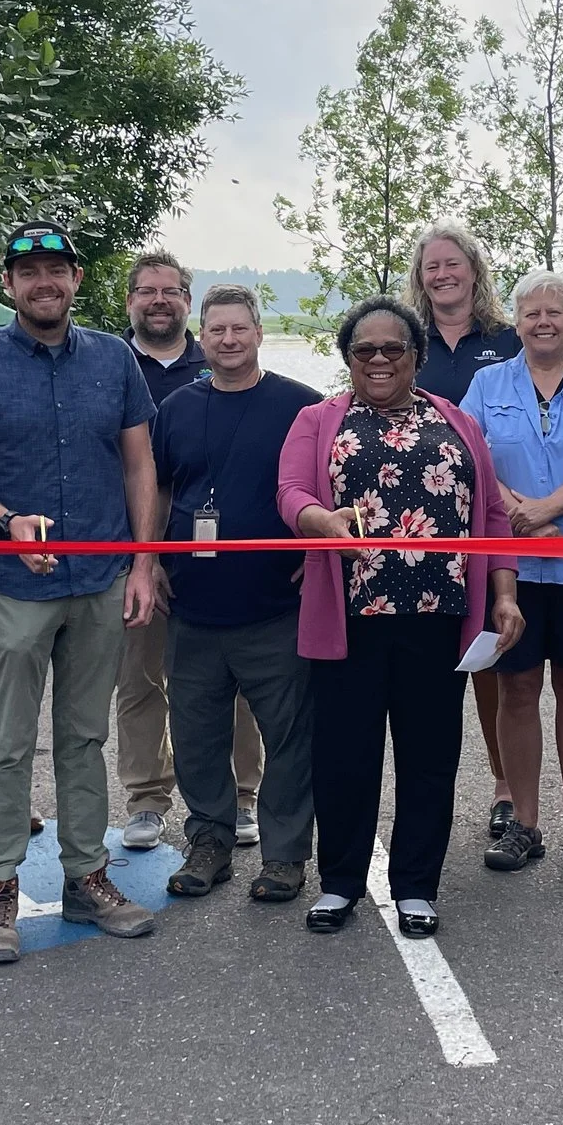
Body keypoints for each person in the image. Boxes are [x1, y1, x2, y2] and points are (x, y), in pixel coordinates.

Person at [0, 219, 165, 965]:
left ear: (76, 279)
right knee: (7, 743)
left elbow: (139, 469)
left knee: (83, 736)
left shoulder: (114, 360)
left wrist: (141, 564)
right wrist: (4, 523)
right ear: (10, 283)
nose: (44, 283)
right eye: (29, 272)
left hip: (100, 577)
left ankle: (84, 876)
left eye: (57, 270)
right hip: (15, 582)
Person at [279, 297, 523, 940]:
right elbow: (291, 492)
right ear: (348, 359)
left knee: (429, 756)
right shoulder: (318, 419)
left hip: (438, 616)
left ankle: (417, 886)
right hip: (350, 616)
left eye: (395, 349)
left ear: (416, 355)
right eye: (366, 350)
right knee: (344, 756)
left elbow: (493, 518)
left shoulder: (458, 422)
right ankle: (339, 884)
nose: (380, 359)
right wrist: (319, 522)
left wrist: (504, 594)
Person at [151, 284, 322, 903]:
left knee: (288, 736)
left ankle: (282, 854)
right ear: (202, 334)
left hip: (273, 606)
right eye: (216, 330)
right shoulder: (174, 409)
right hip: (192, 605)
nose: (228, 340)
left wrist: (317, 555)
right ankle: (210, 842)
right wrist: (151, 560)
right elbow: (160, 492)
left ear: (257, 332)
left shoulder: (301, 409)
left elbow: (324, 491)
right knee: (196, 734)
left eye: (239, 329)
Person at [460, 270, 563, 883]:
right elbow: (471, 458)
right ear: (517, 323)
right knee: (517, 688)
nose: (543, 322)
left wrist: (548, 510)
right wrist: (516, 513)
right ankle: (524, 825)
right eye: (531, 313)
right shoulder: (488, 383)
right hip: (514, 569)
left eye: (554, 312)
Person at [114, 251, 266, 852]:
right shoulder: (111, 363)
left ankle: (243, 795)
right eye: (146, 290)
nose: (158, 300)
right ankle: (147, 799)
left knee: (234, 684)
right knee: (142, 679)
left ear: (187, 301)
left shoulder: (222, 361)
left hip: (225, 564)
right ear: (130, 301)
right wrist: (147, 557)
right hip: (144, 554)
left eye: (170, 291)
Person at [403, 219, 522, 841]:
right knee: (463, 660)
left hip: (502, 518)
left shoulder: (507, 340)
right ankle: (445, 790)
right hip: (424, 527)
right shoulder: (404, 340)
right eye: (432, 267)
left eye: (454, 264)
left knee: (503, 660)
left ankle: (509, 787)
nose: (443, 275)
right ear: (420, 279)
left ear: (475, 270)